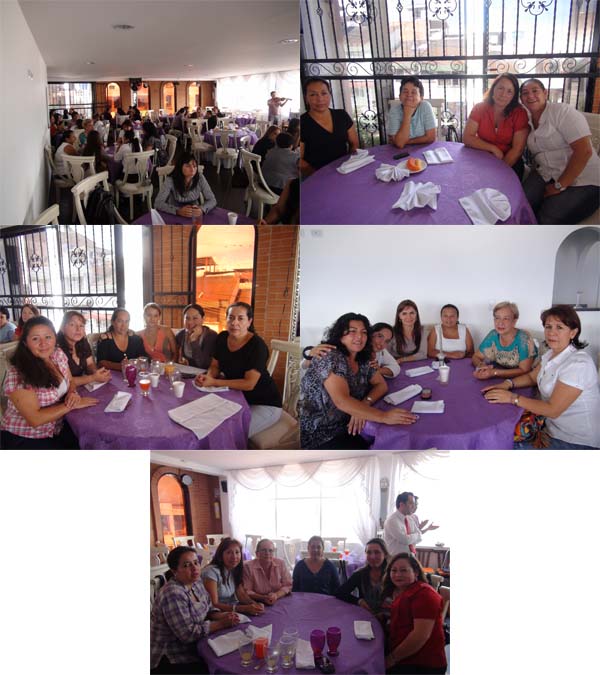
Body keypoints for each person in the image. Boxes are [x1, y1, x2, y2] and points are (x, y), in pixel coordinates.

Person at [483, 305, 600, 449]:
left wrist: (512, 398)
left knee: (502, 446)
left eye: (559, 327)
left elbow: (552, 410)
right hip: (550, 427)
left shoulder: (578, 364)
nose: (551, 333)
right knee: (501, 434)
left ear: (573, 333)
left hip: (575, 441)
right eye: (548, 327)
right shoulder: (551, 354)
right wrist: (507, 384)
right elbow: (532, 377)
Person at [300, 313, 417, 449]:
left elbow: (381, 385)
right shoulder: (331, 356)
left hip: (348, 426)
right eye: (352, 331)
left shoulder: (363, 358)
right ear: (340, 334)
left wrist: (363, 405)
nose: (359, 336)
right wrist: (384, 416)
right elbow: (341, 401)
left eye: (364, 332)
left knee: (391, 443)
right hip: (320, 434)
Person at [0, 316, 98, 449]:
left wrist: (72, 393)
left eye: (48, 337)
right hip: (26, 437)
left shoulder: (57, 354)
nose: (43, 343)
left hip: (57, 427)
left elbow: (70, 381)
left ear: (55, 338)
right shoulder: (18, 374)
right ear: (25, 343)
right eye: (35, 339)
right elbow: (35, 419)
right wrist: (72, 405)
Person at [194, 302, 282, 437]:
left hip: (264, 403)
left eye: (240, 318)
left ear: (249, 322)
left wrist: (215, 382)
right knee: (204, 421)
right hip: (235, 397)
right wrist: (209, 377)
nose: (234, 323)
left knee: (229, 434)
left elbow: (249, 384)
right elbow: (215, 366)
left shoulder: (257, 346)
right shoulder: (222, 337)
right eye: (231, 317)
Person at [520, 78, 600, 224]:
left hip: (584, 179)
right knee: (522, 203)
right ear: (521, 99)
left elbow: (584, 151)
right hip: (548, 173)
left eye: (535, 91)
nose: (530, 96)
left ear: (545, 93)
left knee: (548, 216)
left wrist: (559, 185)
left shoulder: (562, 111)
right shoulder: (527, 120)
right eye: (525, 93)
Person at [150, 546, 239, 674]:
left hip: (196, 646)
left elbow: (209, 607)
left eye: (196, 563)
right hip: (172, 658)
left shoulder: (196, 582)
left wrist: (223, 615)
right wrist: (221, 624)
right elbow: (188, 634)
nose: (194, 568)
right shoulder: (173, 593)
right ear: (174, 571)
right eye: (187, 565)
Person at [383, 553, 447, 674]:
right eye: (394, 570)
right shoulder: (398, 591)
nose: (397, 574)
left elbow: (419, 636)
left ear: (416, 573)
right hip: (401, 652)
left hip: (422, 663)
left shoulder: (424, 594)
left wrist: (391, 659)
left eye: (403, 570)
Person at [463, 74, 529, 179]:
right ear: (493, 88)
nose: (503, 94)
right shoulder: (479, 107)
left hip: (509, 161)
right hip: (482, 157)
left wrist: (498, 171)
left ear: (514, 96)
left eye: (509, 91)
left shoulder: (519, 113)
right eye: (500, 88)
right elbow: (467, 137)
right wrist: (493, 148)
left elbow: (518, 149)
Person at [300, 77, 359, 176]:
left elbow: (354, 144)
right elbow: (300, 161)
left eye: (324, 93)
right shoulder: (303, 122)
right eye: (313, 94)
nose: (320, 99)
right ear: (306, 98)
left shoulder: (342, 115)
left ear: (330, 95)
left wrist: (349, 165)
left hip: (344, 171)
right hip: (317, 176)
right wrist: (319, 175)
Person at [472, 301, 536, 380]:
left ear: (514, 321)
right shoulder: (493, 334)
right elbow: (476, 356)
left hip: (523, 379)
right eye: (497, 318)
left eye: (506, 319)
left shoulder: (524, 339)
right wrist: (481, 366)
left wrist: (494, 372)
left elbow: (524, 370)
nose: (500, 323)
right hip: (500, 374)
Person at [201, 537, 264, 616]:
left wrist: (255, 604)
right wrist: (244, 608)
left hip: (232, 610)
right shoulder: (211, 572)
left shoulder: (233, 569)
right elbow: (214, 604)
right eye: (229, 553)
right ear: (221, 555)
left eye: (237, 552)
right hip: (215, 614)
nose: (234, 556)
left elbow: (241, 595)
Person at [155, 152, 217, 220]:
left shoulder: (200, 178)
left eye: (194, 166)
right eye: (188, 166)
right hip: (174, 214)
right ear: (180, 167)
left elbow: (212, 200)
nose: (192, 169)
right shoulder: (170, 180)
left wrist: (202, 209)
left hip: (193, 214)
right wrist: (178, 211)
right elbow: (158, 203)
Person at [335, 538, 389, 615]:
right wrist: (359, 601)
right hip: (366, 616)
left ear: (385, 554)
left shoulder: (392, 574)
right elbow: (340, 592)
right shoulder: (360, 574)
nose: (372, 556)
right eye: (369, 552)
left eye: (377, 552)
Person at [56, 311, 111, 386]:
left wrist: (96, 372)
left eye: (81, 325)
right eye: (72, 325)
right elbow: (65, 381)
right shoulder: (57, 350)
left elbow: (90, 364)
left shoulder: (82, 342)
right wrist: (93, 377)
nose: (78, 329)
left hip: (82, 386)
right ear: (62, 328)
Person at [387, 76, 437, 149]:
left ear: (421, 97)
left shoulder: (425, 107)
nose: (409, 95)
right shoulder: (394, 111)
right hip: (399, 152)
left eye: (413, 92)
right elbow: (399, 144)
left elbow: (431, 137)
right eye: (405, 92)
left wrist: (406, 141)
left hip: (422, 149)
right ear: (400, 96)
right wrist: (407, 115)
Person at [242, 539, 292, 605]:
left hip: (279, 601)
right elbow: (247, 591)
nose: (267, 553)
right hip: (256, 603)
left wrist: (276, 595)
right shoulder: (248, 567)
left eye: (270, 550)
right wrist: (263, 598)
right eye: (264, 550)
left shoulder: (281, 563)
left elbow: (288, 585)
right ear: (257, 553)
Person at [175, 303, 217, 369]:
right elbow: (176, 358)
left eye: (195, 318)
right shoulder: (181, 335)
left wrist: (193, 340)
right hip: (187, 371)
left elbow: (203, 364)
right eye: (187, 318)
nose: (190, 322)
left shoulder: (211, 336)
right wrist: (180, 361)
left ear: (203, 319)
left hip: (205, 373)